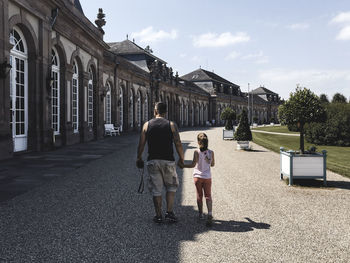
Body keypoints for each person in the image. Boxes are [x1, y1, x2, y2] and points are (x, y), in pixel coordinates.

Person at [136, 102, 184, 223]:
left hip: (153, 161)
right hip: (168, 160)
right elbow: (178, 143)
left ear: (155, 111)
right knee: (171, 187)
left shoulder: (147, 125)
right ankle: (169, 213)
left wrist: (139, 157)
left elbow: (141, 143)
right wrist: (182, 158)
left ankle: (158, 216)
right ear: (165, 112)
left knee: (156, 190)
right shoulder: (171, 125)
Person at [182, 133, 215, 226]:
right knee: (208, 195)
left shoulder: (196, 152)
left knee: (199, 195)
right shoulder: (211, 152)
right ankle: (209, 213)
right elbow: (212, 164)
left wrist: (183, 165)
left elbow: (193, 164)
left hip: (197, 177)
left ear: (198, 142)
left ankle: (200, 214)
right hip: (207, 177)